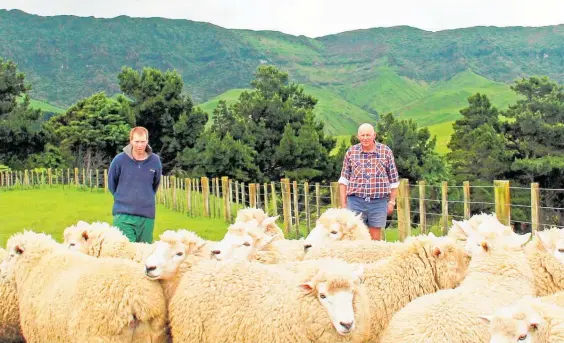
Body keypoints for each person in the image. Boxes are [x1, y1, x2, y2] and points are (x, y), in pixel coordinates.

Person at [338, 123, 399, 240]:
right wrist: (344, 204)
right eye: (362, 135)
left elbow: (394, 180)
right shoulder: (351, 152)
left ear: (374, 135)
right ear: (358, 137)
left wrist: (391, 202)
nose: (365, 138)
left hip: (378, 202)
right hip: (355, 201)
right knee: (354, 236)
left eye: (368, 135)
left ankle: (373, 258)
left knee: (375, 238)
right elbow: (343, 180)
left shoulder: (386, 152)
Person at [108, 126, 162, 243]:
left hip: (146, 216)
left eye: (143, 142)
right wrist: (124, 198)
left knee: (145, 254)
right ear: (131, 141)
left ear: (147, 141)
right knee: (126, 252)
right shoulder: (119, 160)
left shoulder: (155, 161)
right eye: (136, 141)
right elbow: (112, 185)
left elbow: (155, 185)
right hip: (123, 215)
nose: (139, 145)